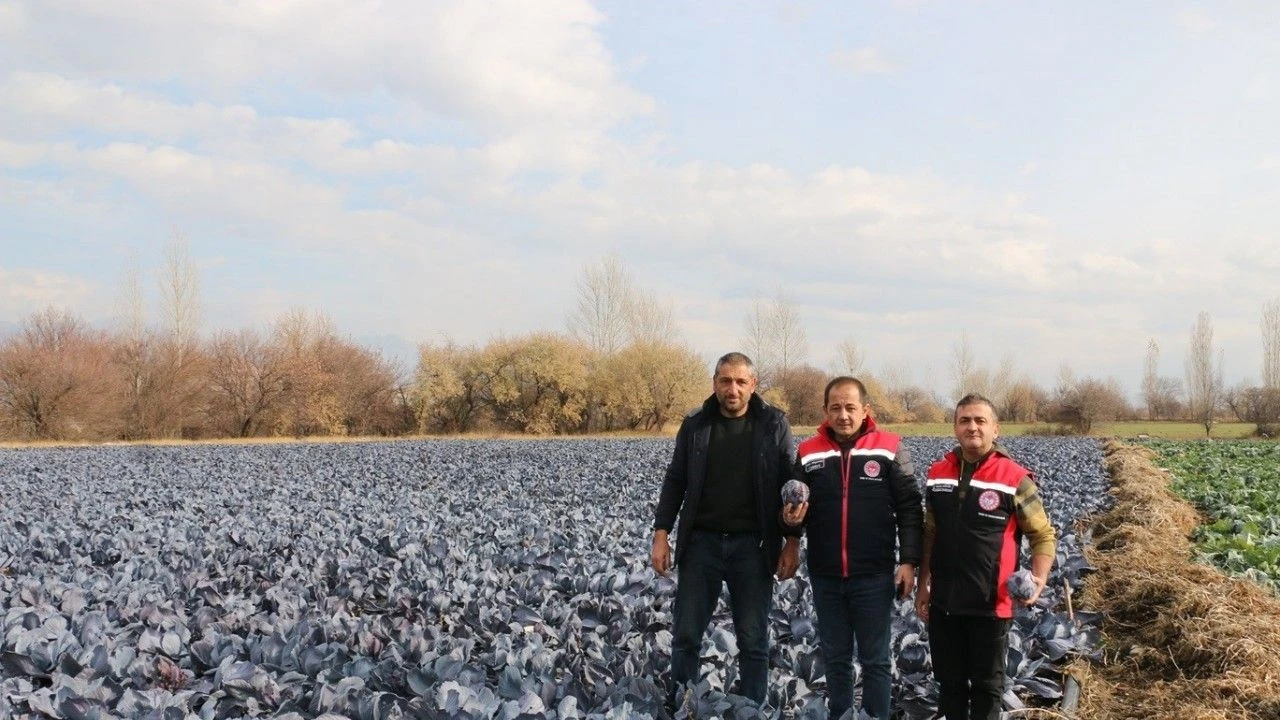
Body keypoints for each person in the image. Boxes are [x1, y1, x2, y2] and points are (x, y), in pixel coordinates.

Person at [651, 352, 800, 707]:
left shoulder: (773, 424)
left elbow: (789, 485)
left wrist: (792, 541)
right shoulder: (697, 424)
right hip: (701, 543)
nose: (732, 389)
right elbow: (676, 480)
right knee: (686, 634)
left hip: (754, 545)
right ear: (715, 383)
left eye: (740, 382)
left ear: (753, 385)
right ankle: (682, 705)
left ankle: (751, 708)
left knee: (752, 639)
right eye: (725, 381)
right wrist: (661, 533)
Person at [782, 376, 923, 720]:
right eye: (836, 407)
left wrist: (909, 561)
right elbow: (795, 509)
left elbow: (909, 507)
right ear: (825, 410)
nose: (843, 415)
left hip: (873, 573)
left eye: (850, 407)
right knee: (836, 657)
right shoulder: (809, 452)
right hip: (826, 573)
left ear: (865, 410)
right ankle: (841, 714)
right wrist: (789, 527)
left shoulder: (889, 448)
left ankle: (875, 716)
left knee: (876, 659)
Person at [915, 394, 1057, 720]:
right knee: (949, 686)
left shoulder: (1014, 478)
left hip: (991, 606)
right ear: (955, 427)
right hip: (944, 604)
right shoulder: (938, 474)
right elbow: (930, 535)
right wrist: (924, 585)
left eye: (980, 420)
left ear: (996, 428)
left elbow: (1042, 535)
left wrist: (1037, 580)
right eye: (965, 420)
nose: (972, 427)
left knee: (987, 689)